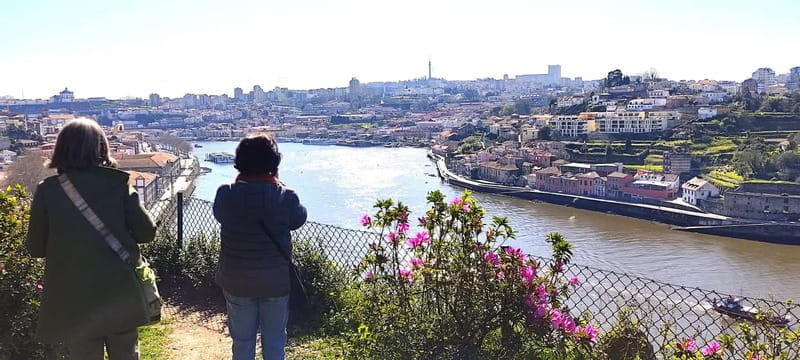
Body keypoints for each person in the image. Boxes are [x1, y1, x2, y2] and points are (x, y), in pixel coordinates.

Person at [26, 118, 157, 360]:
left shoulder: (48, 191)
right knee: (126, 354)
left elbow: (35, 248)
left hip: (73, 297)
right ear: (102, 148)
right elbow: (146, 233)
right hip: (119, 292)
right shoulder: (118, 185)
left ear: (61, 150)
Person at [213, 134, 307, 360]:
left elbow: (220, 214)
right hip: (275, 282)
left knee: (242, 341)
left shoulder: (226, 194)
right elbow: (299, 219)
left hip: (236, 280)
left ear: (239, 162)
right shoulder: (286, 197)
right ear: (274, 164)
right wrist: (277, 183)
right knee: (274, 341)